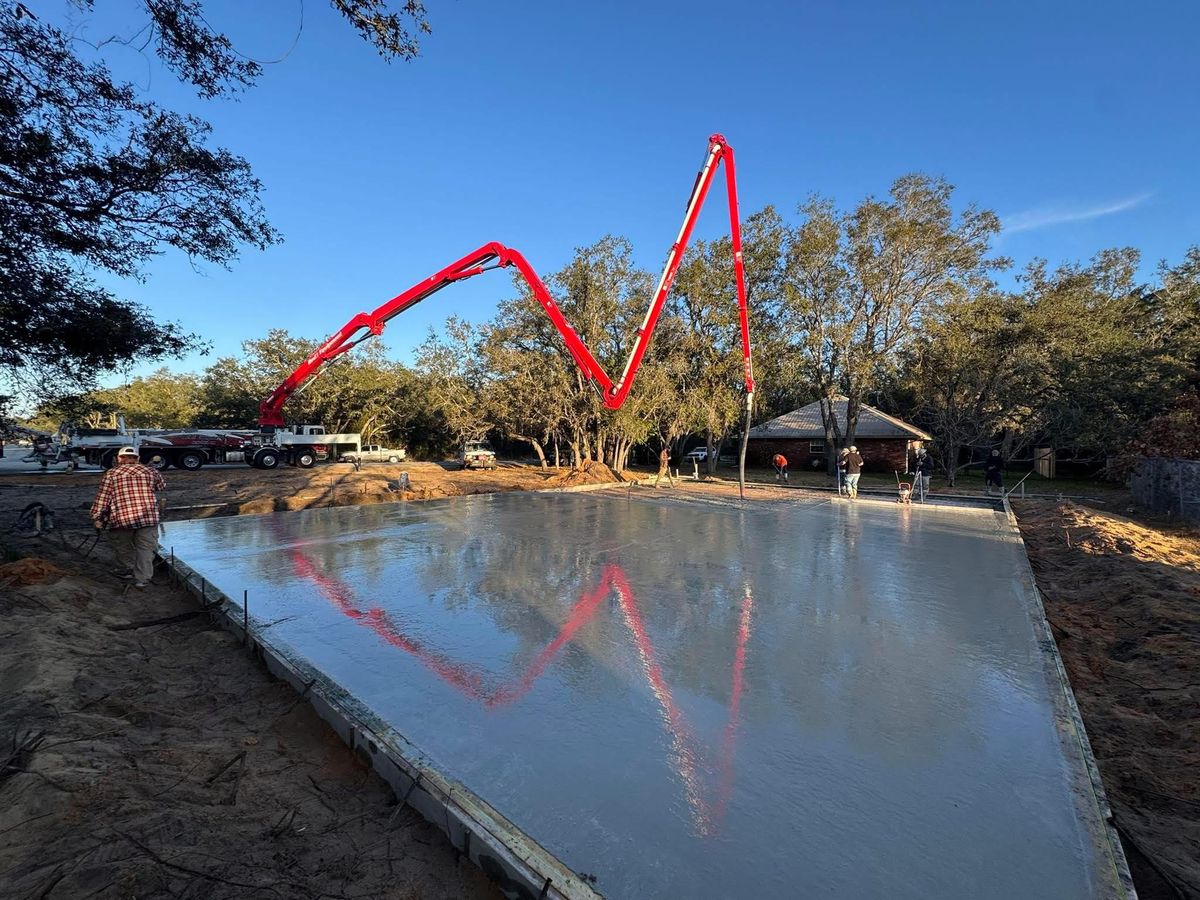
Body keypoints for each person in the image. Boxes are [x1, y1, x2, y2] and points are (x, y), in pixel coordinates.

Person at [90, 446, 166, 588]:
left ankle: (129, 569)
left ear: (119, 459)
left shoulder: (112, 473)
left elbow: (103, 498)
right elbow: (161, 487)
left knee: (123, 546)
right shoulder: (151, 471)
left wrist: (97, 517)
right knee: (146, 549)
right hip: (148, 518)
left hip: (122, 519)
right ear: (137, 458)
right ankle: (142, 579)